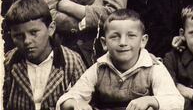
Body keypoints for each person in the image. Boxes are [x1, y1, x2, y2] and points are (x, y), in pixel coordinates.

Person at [55, 9, 183, 110]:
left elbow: (177, 102)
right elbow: (67, 98)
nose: (123, 42)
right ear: (104, 43)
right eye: (115, 37)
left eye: (131, 36)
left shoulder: (154, 68)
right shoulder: (99, 69)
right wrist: (75, 103)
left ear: (143, 41)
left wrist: (151, 101)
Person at [3, 0, 87, 110]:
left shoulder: (72, 62)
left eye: (33, 33)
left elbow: (84, 102)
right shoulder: (8, 62)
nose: (27, 41)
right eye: (19, 35)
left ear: (51, 29)